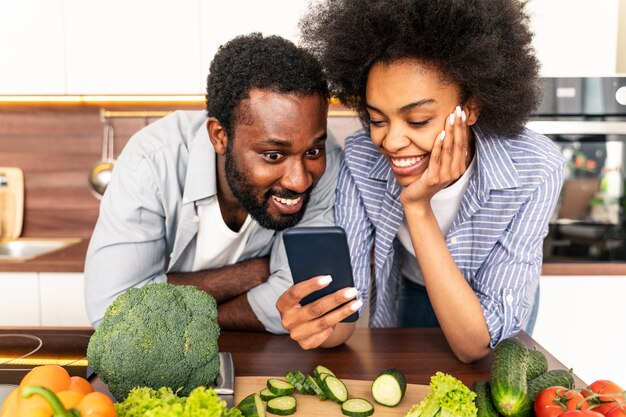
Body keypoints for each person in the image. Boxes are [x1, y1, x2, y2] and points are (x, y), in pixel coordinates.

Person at [298, 0, 566, 362]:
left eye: (419, 120)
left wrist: (417, 206)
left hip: (496, 304)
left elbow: (475, 344)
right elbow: (348, 307)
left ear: (470, 106)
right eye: (378, 120)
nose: (391, 142)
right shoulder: (363, 158)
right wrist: (316, 320)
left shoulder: (534, 168)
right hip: (413, 288)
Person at [84, 33, 359, 347]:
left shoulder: (328, 158)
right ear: (220, 136)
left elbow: (306, 295)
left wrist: (166, 300)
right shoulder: (152, 162)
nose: (299, 181)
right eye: (273, 155)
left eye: (312, 152)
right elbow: (112, 311)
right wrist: (249, 274)